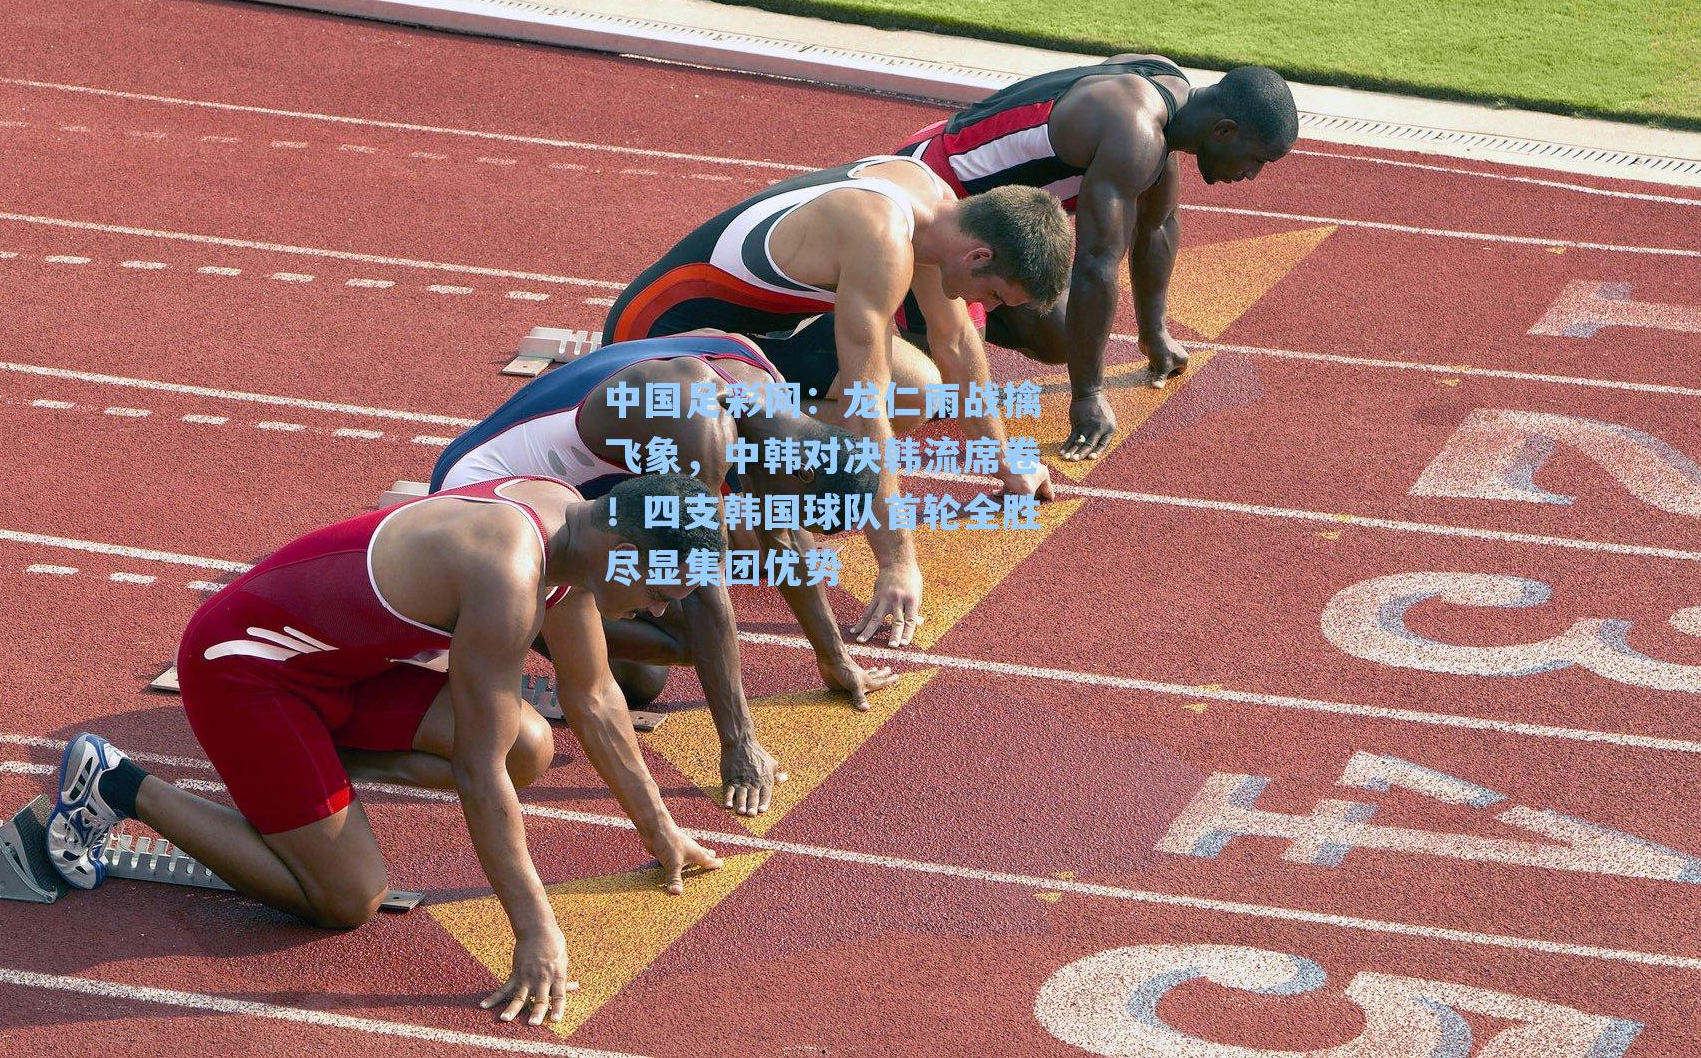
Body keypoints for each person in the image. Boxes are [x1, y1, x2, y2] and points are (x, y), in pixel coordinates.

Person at [45, 473, 725, 1028]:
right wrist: (535, 931)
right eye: (664, 592)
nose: (661, 612)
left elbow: (597, 696)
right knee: (348, 898)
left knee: (530, 745)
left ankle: (298, 784)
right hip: (245, 669)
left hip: (336, 673)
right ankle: (118, 784)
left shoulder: (571, 529)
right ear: (624, 547)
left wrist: (660, 831)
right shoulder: (510, 573)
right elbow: (476, 771)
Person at [602, 154, 1070, 646]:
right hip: (656, 338)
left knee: (917, 392)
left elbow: (955, 342)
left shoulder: (939, 210)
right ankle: (718, 467)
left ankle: (750, 453)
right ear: (978, 257)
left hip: (751, 331)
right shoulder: (882, 239)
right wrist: (897, 562)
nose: (988, 309)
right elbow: (865, 403)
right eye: (994, 295)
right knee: (758, 545)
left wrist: (1003, 460)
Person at [430, 330, 897, 817]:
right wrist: (740, 746)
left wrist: (835, 659)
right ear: (803, 473)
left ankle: (542, 624)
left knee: (652, 673)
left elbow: (782, 539)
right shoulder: (701, 432)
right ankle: (505, 626)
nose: (789, 520)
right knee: (689, 644)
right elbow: (702, 590)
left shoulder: (767, 393)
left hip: (564, 496)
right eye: (802, 510)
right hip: (483, 497)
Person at [897, 60, 1298, 460]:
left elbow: (1157, 223)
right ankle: (886, 304)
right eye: (1256, 160)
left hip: (979, 213)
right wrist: (1088, 395)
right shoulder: (1135, 133)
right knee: (936, 392)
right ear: (1224, 130)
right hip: (934, 196)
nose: (1251, 175)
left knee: (1060, 334)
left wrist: (1154, 333)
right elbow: (1095, 264)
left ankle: (952, 311)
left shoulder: (1168, 93)